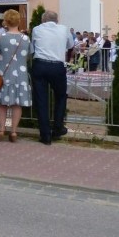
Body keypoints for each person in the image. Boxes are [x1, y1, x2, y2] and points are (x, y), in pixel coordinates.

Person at [30, 10, 74, 144]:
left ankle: (45, 136)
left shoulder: (36, 29)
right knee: (60, 97)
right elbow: (71, 45)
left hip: (40, 65)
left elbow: (32, 49)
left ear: (43, 20)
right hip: (57, 66)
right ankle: (58, 128)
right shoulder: (64, 29)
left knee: (41, 100)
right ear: (57, 20)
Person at [0, 9, 32, 142]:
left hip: (4, 74)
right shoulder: (25, 38)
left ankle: (1, 130)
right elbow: (28, 56)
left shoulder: (1, 38)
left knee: (2, 104)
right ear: (18, 21)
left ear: (6, 22)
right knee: (17, 104)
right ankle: (13, 132)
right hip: (20, 75)